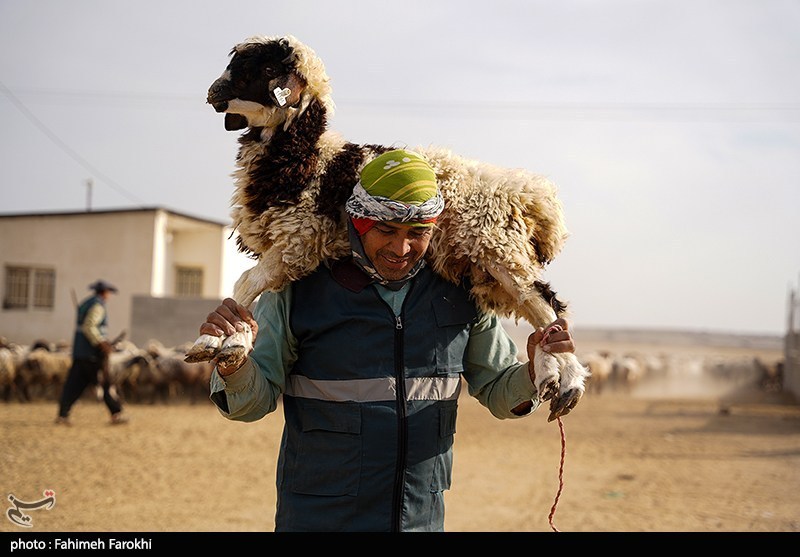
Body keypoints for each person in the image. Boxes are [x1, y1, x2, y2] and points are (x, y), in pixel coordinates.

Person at [197, 149, 577, 531]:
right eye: (387, 230)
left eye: (417, 233)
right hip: (319, 522)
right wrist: (235, 365)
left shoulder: (461, 293)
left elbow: (499, 390)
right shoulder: (297, 290)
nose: (401, 250)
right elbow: (250, 404)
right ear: (358, 223)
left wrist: (531, 370)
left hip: (419, 523)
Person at [55, 279, 128, 426]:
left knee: (73, 385)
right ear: (104, 293)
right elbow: (89, 326)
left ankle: (63, 415)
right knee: (106, 383)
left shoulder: (85, 303)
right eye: (108, 293)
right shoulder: (97, 306)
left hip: (80, 352)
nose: (109, 296)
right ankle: (116, 414)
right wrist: (101, 342)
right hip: (93, 354)